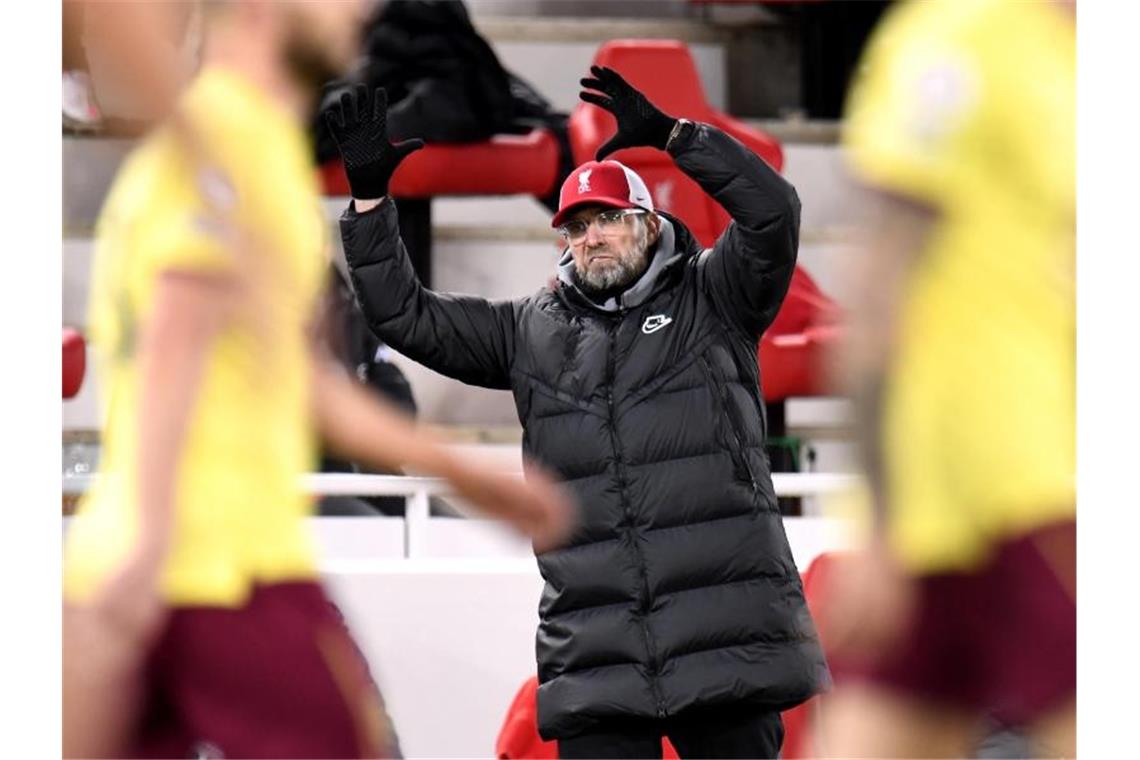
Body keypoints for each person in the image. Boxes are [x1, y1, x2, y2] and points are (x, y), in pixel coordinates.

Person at [62, 2, 573, 758]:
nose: (360, 10)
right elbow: (181, 328)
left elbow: (301, 378)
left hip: (157, 566)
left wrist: (459, 471)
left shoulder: (248, 151)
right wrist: (142, 563)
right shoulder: (232, 146)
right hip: (223, 573)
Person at [328, 65, 828, 759]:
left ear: (650, 224)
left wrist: (677, 138)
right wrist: (371, 201)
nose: (590, 237)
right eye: (576, 227)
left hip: (723, 646)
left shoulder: (716, 296)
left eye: (607, 220)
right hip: (599, 655)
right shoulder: (529, 329)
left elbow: (774, 213)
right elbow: (404, 316)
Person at [818, 0, 1075, 756]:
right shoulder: (959, 39)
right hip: (1001, 489)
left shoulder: (1074, 55)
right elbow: (874, 282)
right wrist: (880, 519)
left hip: (1033, 471)